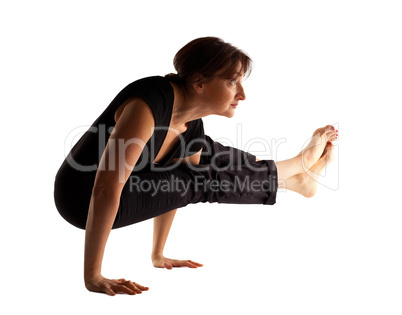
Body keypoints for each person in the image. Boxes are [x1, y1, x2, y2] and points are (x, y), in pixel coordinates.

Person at [54, 37, 338, 296]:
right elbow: (104, 189)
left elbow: (174, 188)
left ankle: (294, 180)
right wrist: (93, 276)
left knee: (207, 155)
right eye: (232, 82)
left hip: (121, 189)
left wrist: (158, 253)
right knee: (195, 180)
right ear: (199, 82)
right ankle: (296, 167)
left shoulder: (192, 126)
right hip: (82, 198)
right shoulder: (147, 106)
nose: (242, 94)